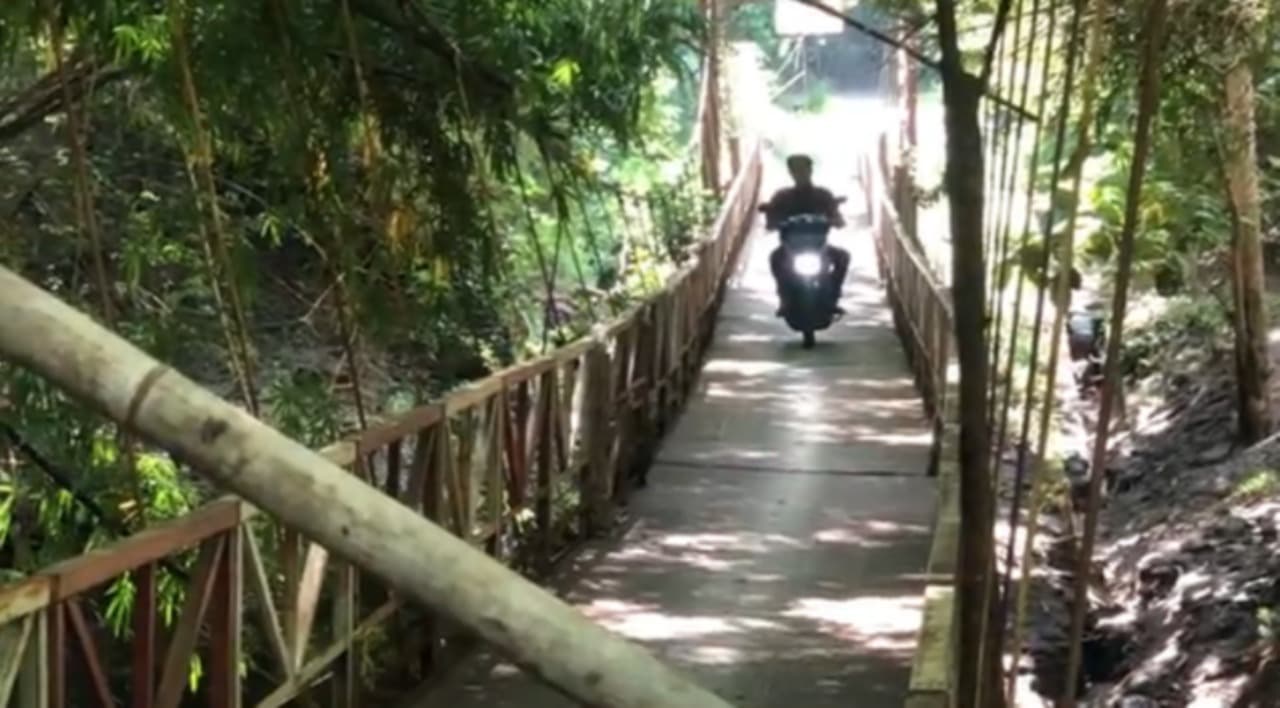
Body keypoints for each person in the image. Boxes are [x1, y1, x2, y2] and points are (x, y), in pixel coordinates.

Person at [761, 154, 850, 315]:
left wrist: (835, 220)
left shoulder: (823, 195)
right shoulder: (782, 197)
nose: (800, 174)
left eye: (804, 170)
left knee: (842, 257)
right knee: (775, 259)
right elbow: (771, 219)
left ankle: (834, 296)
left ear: (810, 171)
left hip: (819, 246)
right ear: (790, 173)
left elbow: (837, 216)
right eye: (796, 171)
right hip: (791, 248)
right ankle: (784, 299)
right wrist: (772, 219)